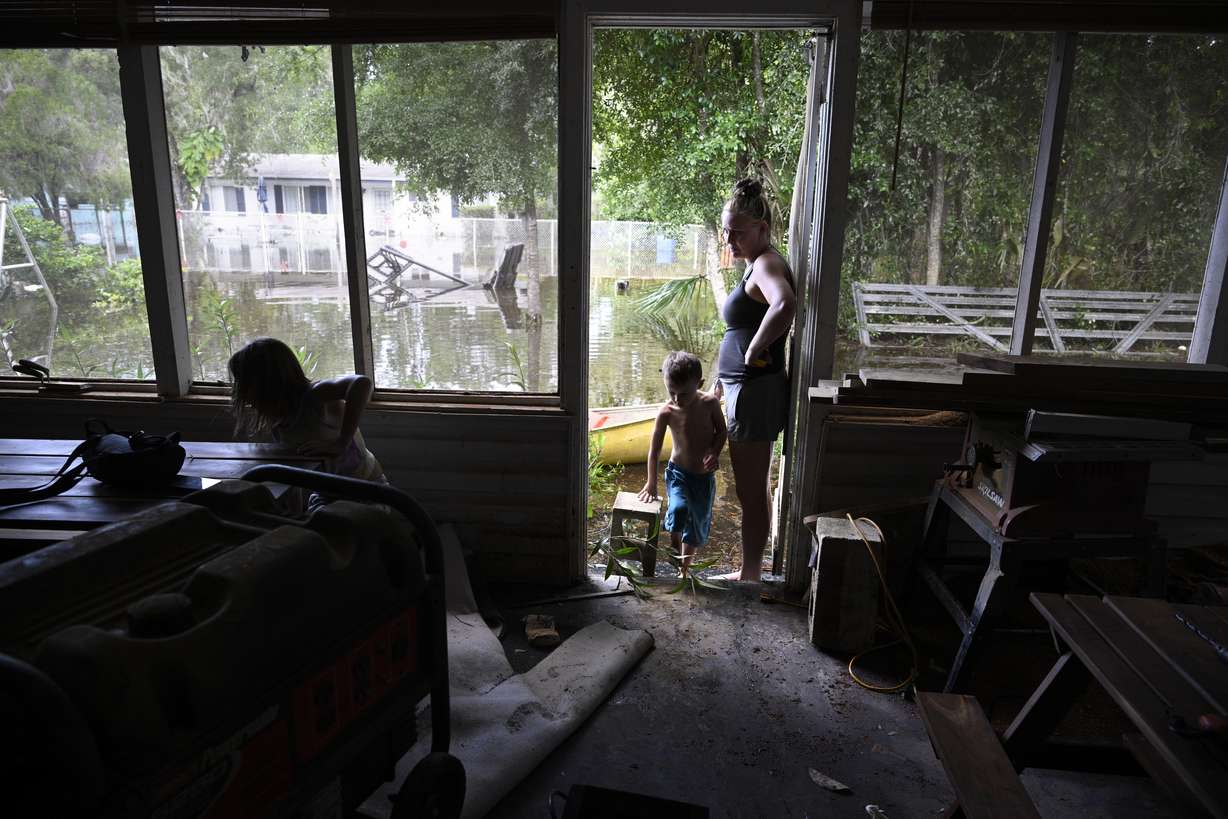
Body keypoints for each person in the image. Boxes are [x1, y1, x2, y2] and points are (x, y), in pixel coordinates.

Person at [713, 178, 796, 582]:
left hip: (753, 391)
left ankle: (749, 574)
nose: (731, 240)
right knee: (753, 485)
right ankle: (750, 571)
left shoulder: (766, 263)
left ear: (762, 229)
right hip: (743, 390)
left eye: (739, 233)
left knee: (749, 489)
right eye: (727, 231)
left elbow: (785, 303)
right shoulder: (755, 263)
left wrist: (751, 350)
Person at [228, 337, 385, 510]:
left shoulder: (314, 396)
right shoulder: (280, 421)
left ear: (267, 382)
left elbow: (362, 383)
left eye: (245, 385)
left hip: (369, 494)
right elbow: (294, 474)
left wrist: (342, 442)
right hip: (326, 497)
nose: (243, 394)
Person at [638, 351, 726, 576]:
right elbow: (654, 450)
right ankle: (674, 543)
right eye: (671, 392)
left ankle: (684, 570)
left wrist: (714, 452)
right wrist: (651, 482)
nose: (677, 398)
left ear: (700, 383)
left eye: (683, 393)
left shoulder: (710, 403)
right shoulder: (666, 412)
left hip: (703, 478)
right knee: (677, 510)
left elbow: (721, 431)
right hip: (678, 474)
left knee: (696, 526)